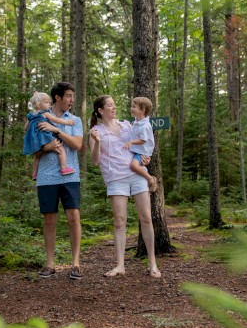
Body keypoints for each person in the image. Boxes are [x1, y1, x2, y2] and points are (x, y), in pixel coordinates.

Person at [89, 95, 161, 278]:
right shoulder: (95, 131)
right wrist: (97, 142)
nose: (114, 108)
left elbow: (143, 145)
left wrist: (146, 158)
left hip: (136, 175)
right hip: (115, 178)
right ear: (100, 110)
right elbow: (94, 161)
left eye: (114, 105)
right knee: (119, 221)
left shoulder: (128, 125)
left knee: (146, 218)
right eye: (110, 105)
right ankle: (120, 265)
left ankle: (152, 263)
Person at [35, 82, 83, 280]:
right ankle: (49, 264)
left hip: (70, 176)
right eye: (69, 96)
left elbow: (77, 145)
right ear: (58, 98)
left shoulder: (75, 120)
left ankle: (76, 263)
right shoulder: (38, 118)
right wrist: (46, 148)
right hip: (46, 177)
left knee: (74, 217)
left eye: (72, 96)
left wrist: (55, 130)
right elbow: (33, 148)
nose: (72, 99)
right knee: (49, 220)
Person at [23, 91, 76, 180]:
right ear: (39, 104)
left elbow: (25, 128)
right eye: (47, 102)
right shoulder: (44, 113)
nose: (49, 104)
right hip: (45, 137)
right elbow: (56, 120)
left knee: (37, 156)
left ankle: (34, 173)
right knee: (61, 148)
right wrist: (67, 122)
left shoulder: (31, 115)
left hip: (35, 140)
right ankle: (63, 168)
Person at [123, 96, 157, 192]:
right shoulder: (136, 122)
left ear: (142, 110)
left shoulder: (145, 126)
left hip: (142, 152)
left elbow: (143, 140)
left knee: (133, 166)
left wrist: (131, 142)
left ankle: (151, 179)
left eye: (134, 107)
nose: (131, 108)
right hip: (136, 150)